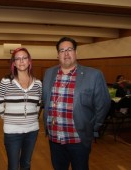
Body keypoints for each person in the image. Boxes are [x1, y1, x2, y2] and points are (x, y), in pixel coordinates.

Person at [42, 37, 111, 170]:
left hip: (78, 139)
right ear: (57, 55)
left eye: (69, 49)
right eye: (62, 50)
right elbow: (46, 100)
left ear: (76, 53)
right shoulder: (49, 73)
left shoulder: (94, 75)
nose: (66, 53)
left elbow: (104, 104)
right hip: (55, 139)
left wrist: (93, 127)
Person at [0, 47, 42, 170]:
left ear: (29, 61)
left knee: (26, 164)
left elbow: (38, 105)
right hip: (12, 132)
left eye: (24, 58)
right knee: (13, 166)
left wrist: (30, 118)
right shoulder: (6, 81)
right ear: (14, 63)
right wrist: (8, 119)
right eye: (18, 59)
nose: (21, 61)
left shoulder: (38, 83)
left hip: (32, 131)